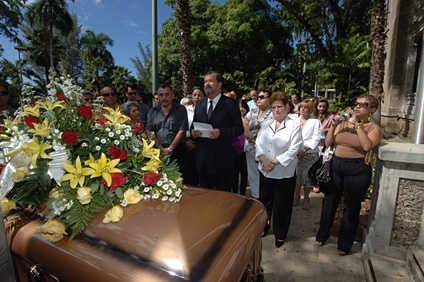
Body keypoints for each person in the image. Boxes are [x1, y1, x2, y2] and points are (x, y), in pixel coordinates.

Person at [316, 94, 382, 256]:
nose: (357, 107)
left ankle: (345, 243)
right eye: (356, 104)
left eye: (363, 104)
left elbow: (367, 146)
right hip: (337, 166)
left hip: (357, 170)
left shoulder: (373, 128)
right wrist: (334, 125)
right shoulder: (343, 123)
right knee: (330, 202)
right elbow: (329, 143)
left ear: (372, 110)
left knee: (351, 207)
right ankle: (322, 234)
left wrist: (358, 125)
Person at [256, 91, 302, 248]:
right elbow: (258, 143)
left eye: (280, 107)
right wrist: (263, 160)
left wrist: (273, 162)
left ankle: (280, 234)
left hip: (284, 173)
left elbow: (294, 149)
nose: (276, 110)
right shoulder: (266, 124)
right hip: (265, 170)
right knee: (265, 202)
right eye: (274, 107)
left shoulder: (294, 126)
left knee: (282, 205)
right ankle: (263, 227)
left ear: (287, 107)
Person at [191, 71, 243, 192]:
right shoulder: (199, 104)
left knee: (222, 201)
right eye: (205, 81)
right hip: (203, 162)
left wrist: (221, 133)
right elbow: (193, 125)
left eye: (210, 81)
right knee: (204, 200)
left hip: (223, 161)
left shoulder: (230, 104)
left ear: (219, 84)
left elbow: (239, 128)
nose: (206, 84)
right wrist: (194, 133)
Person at [146, 85, 188, 166]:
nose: (164, 97)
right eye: (161, 95)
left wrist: (170, 149)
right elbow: (150, 131)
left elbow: (182, 131)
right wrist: (161, 149)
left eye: (167, 94)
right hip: (158, 151)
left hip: (177, 150)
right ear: (158, 97)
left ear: (172, 96)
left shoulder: (181, 109)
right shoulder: (152, 111)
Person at [244, 90, 273, 199]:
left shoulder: (272, 113)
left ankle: (265, 198)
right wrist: (249, 134)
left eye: (262, 97)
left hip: (265, 150)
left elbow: (268, 130)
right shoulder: (253, 111)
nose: (258, 99)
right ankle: (256, 197)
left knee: (265, 175)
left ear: (269, 99)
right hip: (250, 149)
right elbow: (243, 122)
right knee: (253, 175)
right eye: (258, 97)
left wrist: (255, 139)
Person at [293, 99, 322, 210]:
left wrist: (304, 150)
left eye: (306, 108)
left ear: (310, 110)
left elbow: (315, 139)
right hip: (295, 152)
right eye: (301, 107)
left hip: (309, 153)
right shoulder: (294, 120)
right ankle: (296, 196)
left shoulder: (315, 122)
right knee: (297, 176)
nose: (303, 109)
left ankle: (306, 197)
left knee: (306, 177)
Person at [231, 100, 249, 195]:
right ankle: (234, 191)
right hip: (234, 151)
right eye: (239, 106)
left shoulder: (249, 120)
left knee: (244, 174)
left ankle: (242, 193)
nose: (241, 109)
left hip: (246, 152)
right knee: (234, 173)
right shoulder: (232, 120)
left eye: (243, 106)